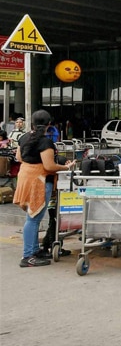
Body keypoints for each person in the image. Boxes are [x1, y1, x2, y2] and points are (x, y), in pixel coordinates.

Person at [14, 110, 75, 267]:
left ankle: (34, 250)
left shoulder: (23, 137)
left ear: (32, 123)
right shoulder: (45, 142)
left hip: (25, 177)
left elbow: (19, 158)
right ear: (49, 124)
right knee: (33, 218)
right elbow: (49, 166)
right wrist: (67, 168)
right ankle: (28, 256)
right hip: (39, 181)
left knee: (32, 216)